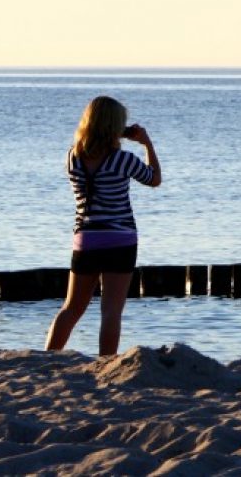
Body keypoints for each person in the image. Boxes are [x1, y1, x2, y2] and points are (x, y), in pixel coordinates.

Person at [45, 96, 161, 356]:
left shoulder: (73, 157)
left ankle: (48, 357)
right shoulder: (123, 159)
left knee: (71, 308)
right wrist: (147, 144)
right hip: (121, 239)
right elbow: (154, 179)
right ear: (115, 126)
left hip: (86, 237)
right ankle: (105, 361)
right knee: (111, 311)